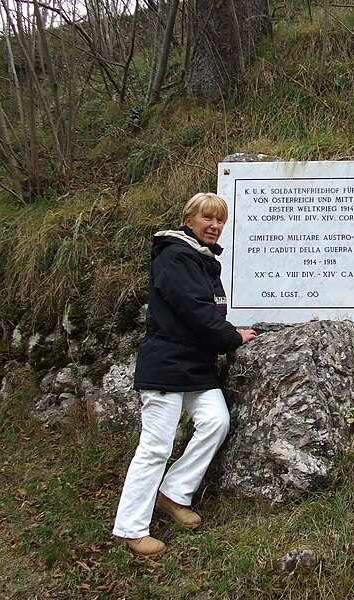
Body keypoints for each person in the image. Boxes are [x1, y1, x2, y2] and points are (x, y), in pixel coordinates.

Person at [112, 192, 257, 557]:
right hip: (167, 365)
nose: (214, 226)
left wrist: (222, 335)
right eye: (207, 218)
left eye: (220, 220)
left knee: (216, 422)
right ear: (188, 220)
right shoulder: (177, 256)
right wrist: (232, 337)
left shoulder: (201, 259)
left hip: (195, 365)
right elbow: (197, 312)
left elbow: (205, 311)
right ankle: (131, 528)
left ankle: (173, 493)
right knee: (155, 447)